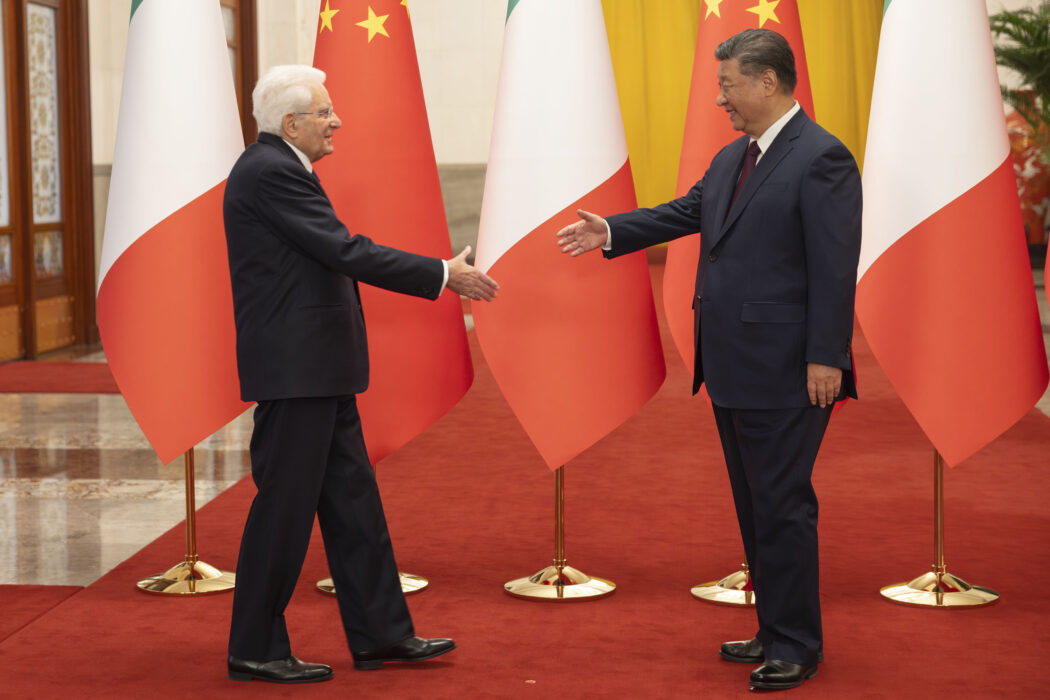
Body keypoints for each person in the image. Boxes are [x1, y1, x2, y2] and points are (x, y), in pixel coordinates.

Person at [556, 29, 861, 692]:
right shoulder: (732, 159)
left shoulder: (822, 158)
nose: (720, 97)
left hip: (789, 368)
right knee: (755, 505)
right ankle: (772, 624)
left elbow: (835, 269)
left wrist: (826, 357)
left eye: (728, 85)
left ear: (769, 83)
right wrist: (609, 230)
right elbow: (687, 211)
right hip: (730, 363)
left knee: (781, 504)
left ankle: (797, 643)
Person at [223, 64, 499, 684]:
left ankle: (380, 635)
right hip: (297, 372)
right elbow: (342, 249)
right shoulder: (269, 171)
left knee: (352, 503)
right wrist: (440, 274)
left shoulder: (281, 166)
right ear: (291, 123)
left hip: (319, 366)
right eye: (324, 112)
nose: (336, 121)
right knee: (285, 509)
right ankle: (255, 647)